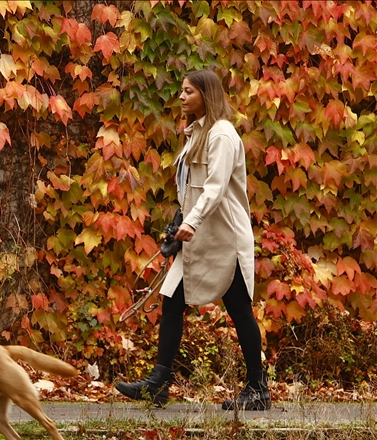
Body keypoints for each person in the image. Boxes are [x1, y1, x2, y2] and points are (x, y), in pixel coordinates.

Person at [115, 69, 271, 411]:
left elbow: (215, 188)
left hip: (224, 238)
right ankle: (158, 384)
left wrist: (193, 222)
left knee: (240, 311)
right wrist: (180, 223)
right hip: (198, 238)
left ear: (206, 94)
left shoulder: (222, 135)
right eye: (181, 91)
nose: (182, 97)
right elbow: (192, 189)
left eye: (188, 91)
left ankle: (258, 389)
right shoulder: (196, 132)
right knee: (172, 302)